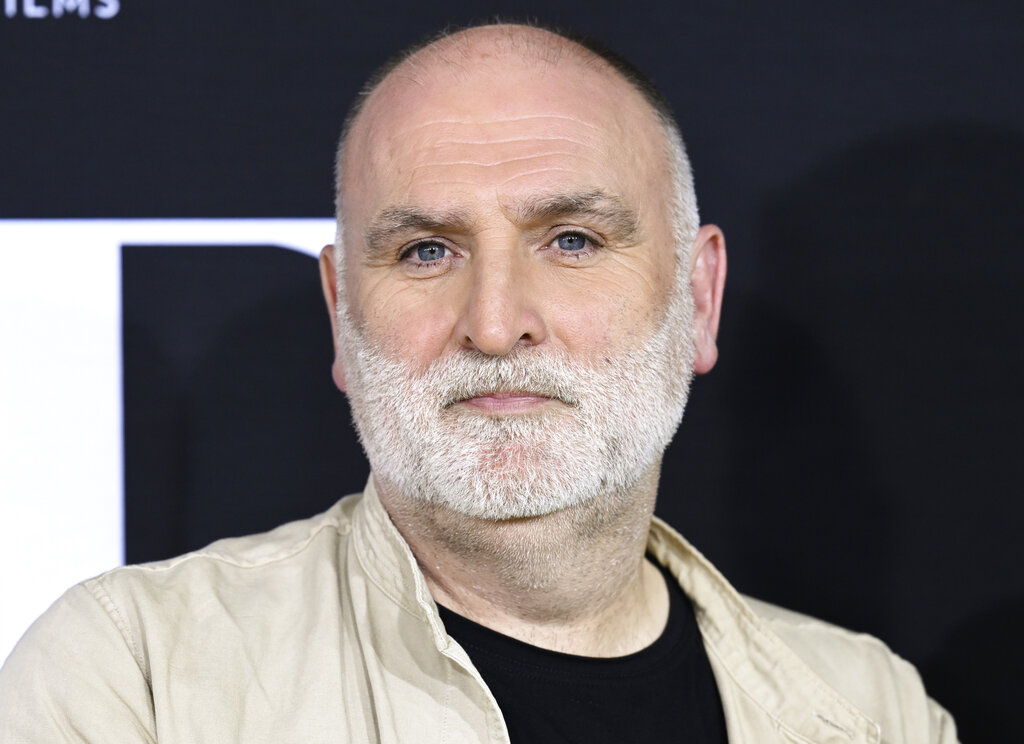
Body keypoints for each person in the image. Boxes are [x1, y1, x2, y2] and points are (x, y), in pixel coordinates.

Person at [0, 22, 957, 743]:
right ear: (341, 313)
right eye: (425, 251)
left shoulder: (876, 714)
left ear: (698, 298)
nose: (496, 323)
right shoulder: (139, 681)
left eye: (573, 240)